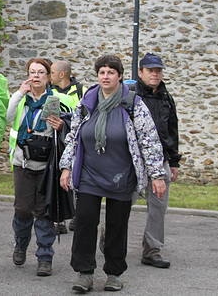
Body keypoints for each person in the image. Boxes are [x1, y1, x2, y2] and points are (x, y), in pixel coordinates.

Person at [59, 54, 166, 293]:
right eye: (102, 72)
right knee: (86, 222)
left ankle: (114, 273)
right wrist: (66, 167)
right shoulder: (87, 102)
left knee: (117, 225)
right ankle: (84, 273)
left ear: (119, 76)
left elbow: (149, 140)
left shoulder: (132, 103)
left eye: (110, 72)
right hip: (89, 174)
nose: (105, 76)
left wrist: (156, 175)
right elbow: (73, 136)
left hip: (121, 175)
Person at [7, 58, 74, 277]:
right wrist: (18, 93)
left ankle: (45, 256)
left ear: (48, 77)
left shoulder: (55, 100)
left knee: (44, 211)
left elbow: (76, 124)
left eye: (41, 72)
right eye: (32, 72)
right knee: (23, 209)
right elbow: (7, 118)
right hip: (23, 162)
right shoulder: (21, 99)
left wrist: (62, 125)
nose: (36, 76)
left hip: (47, 165)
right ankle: (21, 245)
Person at [132, 53, 180, 268]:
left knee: (158, 207)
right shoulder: (129, 95)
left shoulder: (166, 97)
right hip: (132, 160)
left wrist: (174, 161)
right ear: (140, 72)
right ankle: (110, 239)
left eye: (158, 70)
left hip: (160, 160)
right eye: (150, 70)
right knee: (124, 203)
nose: (155, 74)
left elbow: (171, 129)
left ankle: (152, 249)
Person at [50, 60, 86, 233]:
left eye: (52, 73)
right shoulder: (50, 92)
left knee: (77, 178)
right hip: (56, 141)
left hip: (76, 142)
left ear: (62, 74)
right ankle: (59, 220)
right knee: (58, 179)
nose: (50, 76)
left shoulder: (81, 92)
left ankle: (77, 215)